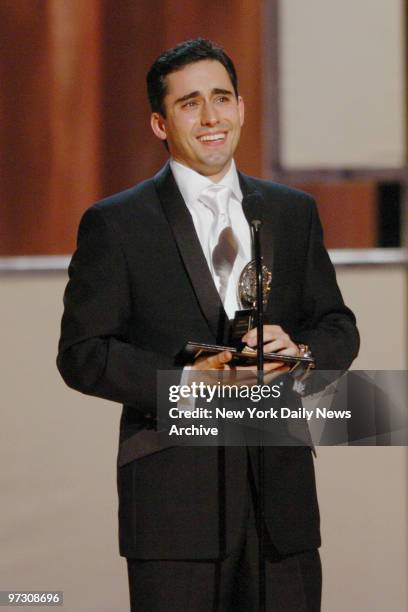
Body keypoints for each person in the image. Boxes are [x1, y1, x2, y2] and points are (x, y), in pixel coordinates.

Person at [57, 38, 359, 611]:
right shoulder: (116, 224)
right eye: (190, 103)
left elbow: (337, 325)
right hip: (175, 510)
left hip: (281, 505)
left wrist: (297, 350)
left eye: (222, 98)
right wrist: (186, 382)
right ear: (159, 123)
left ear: (242, 107)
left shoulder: (292, 212)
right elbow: (83, 353)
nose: (212, 117)